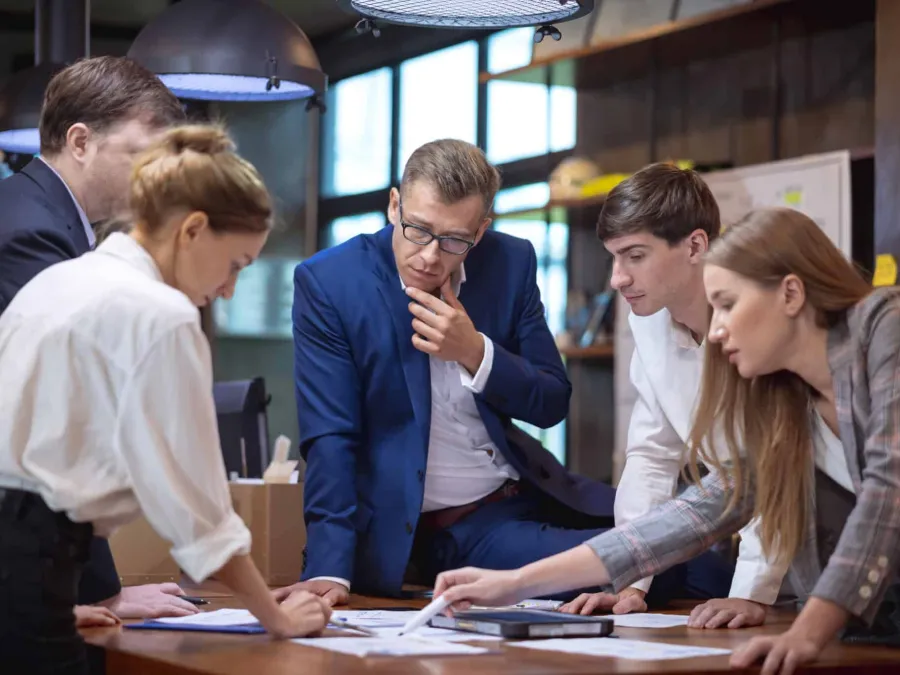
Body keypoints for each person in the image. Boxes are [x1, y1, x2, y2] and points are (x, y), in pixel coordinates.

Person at [434, 206, 899, 675]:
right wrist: (514, 584)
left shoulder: (886, 327)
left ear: (791, 293)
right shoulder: (784, 395)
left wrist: (808, 629)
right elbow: (695, 514)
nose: (716, 331)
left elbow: (889, 490)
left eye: (729, 304)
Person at [279, 139, 726, 606]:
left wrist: (476, 352)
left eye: (454, 240)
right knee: (669, 569)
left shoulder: (508, 262)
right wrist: (329, 568)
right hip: (451, 528)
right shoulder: (330, 282)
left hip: (530, 491)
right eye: (417, 230)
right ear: (395, 206)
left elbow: (552, 400)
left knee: (704, 562)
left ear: (481, 230)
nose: (431, 256)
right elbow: (331, 435)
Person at [0, 124, 332, 675]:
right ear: (193, 230)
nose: (228, 290)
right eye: (236, 265)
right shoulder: (160, 312)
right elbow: (200, 515)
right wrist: (278, 617)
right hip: (30, 558)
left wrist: (50, 603)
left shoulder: (62, 281)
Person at [0, 55, 202, 623]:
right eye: (141, 155)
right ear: (81, 141)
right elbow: (65, 420)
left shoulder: (43, 217)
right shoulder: (30, 232)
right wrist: (97, 592)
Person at [559, 163, 791, 627]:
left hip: (826, 550)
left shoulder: (764, 317)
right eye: (613, 258)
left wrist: (753, 594)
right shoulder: (646, 321)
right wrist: (629, 581)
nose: (616, 278)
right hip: (748, 538)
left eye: (634, 256)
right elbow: (651, 456)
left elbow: (782, 465)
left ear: (696, 245)